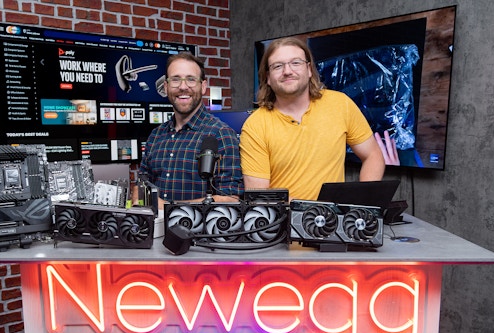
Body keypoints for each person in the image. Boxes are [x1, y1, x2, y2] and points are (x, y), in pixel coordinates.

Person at [240, 37, 386, 201]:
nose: (287, 71)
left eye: (296, 63)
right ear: (267, 77)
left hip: (333, 220)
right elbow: (260, 194)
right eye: (278, 66)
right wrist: (312, 211)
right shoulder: (255, 126)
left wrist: (361, 201)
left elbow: (373, 155)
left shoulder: (340, 104)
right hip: (283, 222)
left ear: (309, 69)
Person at [137, 52, 243, 209]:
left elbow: (231, 200)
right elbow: (141, 189)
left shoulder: (221, 134)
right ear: (166, 87)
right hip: (155, 232)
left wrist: (167, 208)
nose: (183, 87)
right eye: (175, 79)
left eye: (191, 79)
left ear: (203, 86)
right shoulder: (156, 136)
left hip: (199, 232)